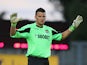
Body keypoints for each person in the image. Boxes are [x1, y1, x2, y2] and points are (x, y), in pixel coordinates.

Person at [10, 8, 83, 65]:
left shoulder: (49, 30)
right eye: (39, 16)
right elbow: (13, 34)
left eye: (43, 16)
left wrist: (73, 26)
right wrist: (13, 24)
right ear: (35, 17)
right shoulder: (29, 28)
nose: (42, 18)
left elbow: (62, 36)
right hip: (33, 61)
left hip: (45, 61)